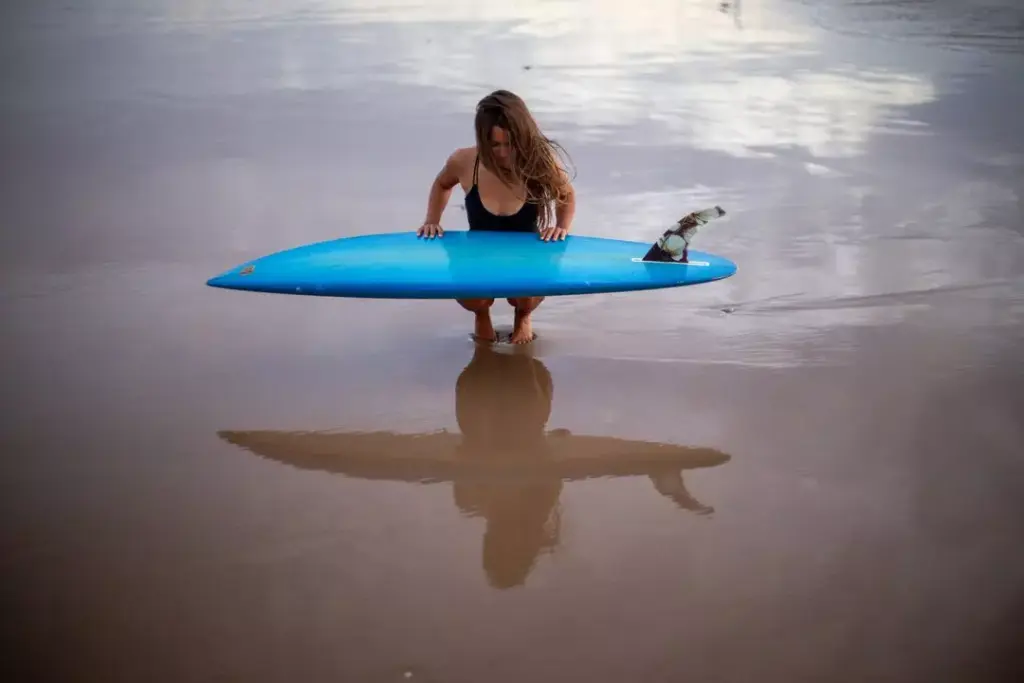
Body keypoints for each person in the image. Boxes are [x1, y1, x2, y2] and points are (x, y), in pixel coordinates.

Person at [417, 89, 576, 344]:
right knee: (474, 298)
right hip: (478, 253)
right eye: (494, 144)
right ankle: (482, 314)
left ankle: (523, 316)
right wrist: (432, 220)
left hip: (527, 256)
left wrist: (561, 227)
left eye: (509, 144)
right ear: (483, 139)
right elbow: (442, 184)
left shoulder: (538, 161)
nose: (502, 152)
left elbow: (565, 193)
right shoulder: (465, 161)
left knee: (522, 297)